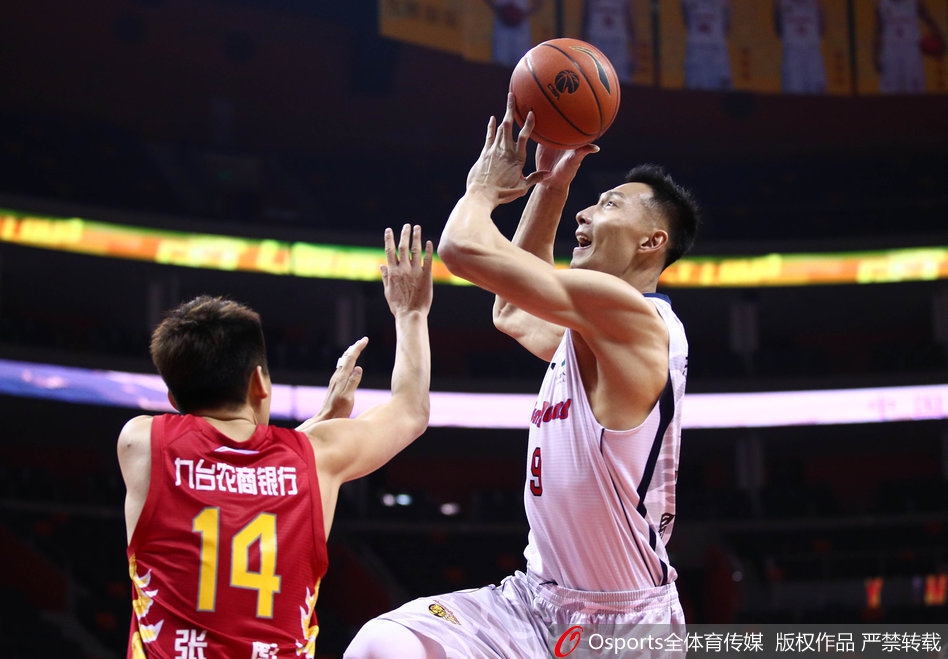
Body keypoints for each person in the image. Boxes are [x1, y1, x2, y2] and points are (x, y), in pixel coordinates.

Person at [345, 95, 699, 658]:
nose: (585, 214)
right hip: (535, 602)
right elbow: (511, 311)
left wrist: (483, 188)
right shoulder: (596, 333)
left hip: (622, 625)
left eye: (608, 204)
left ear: (651, 241)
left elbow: (462, 249)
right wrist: (552, 184)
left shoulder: (634, 319)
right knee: (383, 643)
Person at [118, 224, 433, 658]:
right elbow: (411, 410)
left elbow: (226, 462)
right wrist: (410, 313)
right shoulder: (317, 457)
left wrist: (316, 425)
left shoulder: (141, 442)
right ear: (259, 383)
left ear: (173, 399)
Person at [874, 0, 943, 93]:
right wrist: (875, 55)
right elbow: (878, 30)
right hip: (890, 51)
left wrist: (940, 39)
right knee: (891, 91)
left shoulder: (916, 3)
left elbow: (929, 20)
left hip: (911, 49)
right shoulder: (881, 4)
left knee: (914, 90)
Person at [774, 0, 828, 94]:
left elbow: (822, 28)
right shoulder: (781, 4)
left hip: (813, 52)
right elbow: (779, 29)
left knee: (818, 92)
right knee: (793, 91)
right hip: (792, 52)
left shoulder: (815, 3)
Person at [682, 0, 733, 90]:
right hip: (696, 50)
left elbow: (727, 26)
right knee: (695, 90)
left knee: (723, 87)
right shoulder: (687, 2)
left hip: (717, 50)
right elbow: (687, 21)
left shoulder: (725, 2)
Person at [583, 0, 636, 84]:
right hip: (597, 42)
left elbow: (630, 21)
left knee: (622, 81)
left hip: (618, 44)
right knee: (596, 81)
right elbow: (585, 19)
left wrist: (634, 54)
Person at [485, 0, 543, 66]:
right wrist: (501, 11)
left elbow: (539, 3)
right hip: (502, 25)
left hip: (521, 27)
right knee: (500, 61)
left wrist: (521, 15)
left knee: (521, 63)